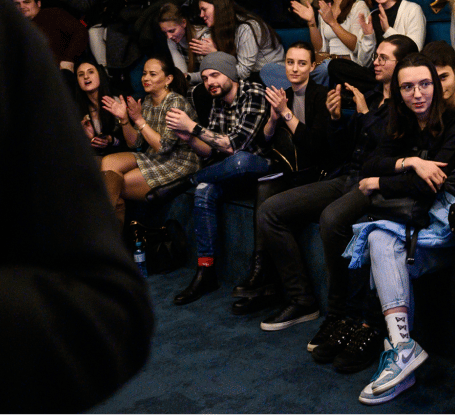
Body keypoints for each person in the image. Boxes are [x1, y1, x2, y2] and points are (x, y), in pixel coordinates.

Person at [0, 0, 152, 412]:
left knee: (108, 167)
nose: (88, 77)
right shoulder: (79, 101)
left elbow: (108, 311)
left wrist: (131, 121)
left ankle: (130, 242)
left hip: (155, 160)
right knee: (105, 167)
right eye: (83, 73)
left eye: (92, 72)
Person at [255, 35, 418, 373]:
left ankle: (340, 313)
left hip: (371, 184)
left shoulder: (405, 104)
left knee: (332, 219)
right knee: (270, 210)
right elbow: (343, 149)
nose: (376, 61)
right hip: (345, 175)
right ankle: (302, 300)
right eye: (377, 56)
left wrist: (361, 114)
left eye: (384, 58)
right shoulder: (371, 95)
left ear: (402, 65)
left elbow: (386, 153)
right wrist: (335, 119)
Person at [346, 53, 455, 405]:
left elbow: (427, 186)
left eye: (424, 84)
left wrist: (381, 183)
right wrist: (411, 162)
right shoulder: (399, 123)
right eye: (407, 86)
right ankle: (403, 348)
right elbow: (370, 163)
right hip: (411, 223)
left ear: (436, 86)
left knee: (378, 238)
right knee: (377, 237)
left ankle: (400, 350)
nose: (417, 93)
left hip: (447, 223)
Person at [230, 42, 332, 316]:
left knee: (269, 203)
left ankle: (265, 280)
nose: (294, 68)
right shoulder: (281, 95)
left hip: (315, 175)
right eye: (289, 62)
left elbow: (317, 147)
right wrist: (274, 118)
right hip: (289, 172)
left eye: (301, 63)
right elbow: (265, 141)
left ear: (312, 66)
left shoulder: (322, 95)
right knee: (264, 187)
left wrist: (286, 113)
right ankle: (261, 273)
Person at [163, 52, 272, 305]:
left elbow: (235, 146)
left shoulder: (253, 93)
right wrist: (190, 138)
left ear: (230, 74)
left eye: (215, 75)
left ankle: (184, 182)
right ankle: (206, 270)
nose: (209, 81)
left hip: (260, 168)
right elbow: (212, 150)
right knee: (204, 189)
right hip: (230, 170)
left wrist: (193, 127)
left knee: (240, 159)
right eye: (204, 77)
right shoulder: (218, 101)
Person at [99, 57, 200, 226]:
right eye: (144, 73)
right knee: (108, 162)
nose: (145, 78)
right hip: (155, 156)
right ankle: (110, 234)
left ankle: (103, 231)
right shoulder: (146, 102)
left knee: (114, 184)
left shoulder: (176, 102)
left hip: (179, 161)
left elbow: (164, 146)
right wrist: (124, 120)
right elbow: (135, 143)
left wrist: (138, 120)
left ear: (168, 79)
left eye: (152, 74)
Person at [290, 0, 371, 76]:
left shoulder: (358, 6)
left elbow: (357, 46)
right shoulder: (324, 9)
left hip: (349, 65)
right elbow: (321, 48)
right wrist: (311, 21)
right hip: (327, 64)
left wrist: (333, 22)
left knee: (313, 72)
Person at [195, 0, 284, 81]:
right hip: (254, 76)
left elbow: (243, 72)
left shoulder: (246, 28)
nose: (201, 15)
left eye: (204, 9)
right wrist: (190, 77)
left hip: (273, 77)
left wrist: (216, 54)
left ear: (218, 8)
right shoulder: (223, 28)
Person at [356, 0, 427, 63]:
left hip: (402, 73)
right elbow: (363, 63)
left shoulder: (412, 10)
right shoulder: (371, 16)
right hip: (375, 74)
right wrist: (368, 37)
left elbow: (415, 51)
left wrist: (388, 30)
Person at [12, 0, 87, 74]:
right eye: (17, 4)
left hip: (57, 73)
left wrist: (68, 60)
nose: (21, 6)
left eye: (26, 2)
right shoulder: (13, 27)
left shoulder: (53, 14)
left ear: (38, 3)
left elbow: (80, 32)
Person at [72, 58, 125, 156]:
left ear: (99, 75)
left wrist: (110, 139)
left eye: (90, 72)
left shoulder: (114, 102)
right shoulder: (76, 109)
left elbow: (127, 143)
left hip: (118, 155)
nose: (86, 77)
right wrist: (90, 139)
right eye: (81, 74)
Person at [159, 1, 208, 84]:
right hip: (192, 82)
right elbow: (181, 73)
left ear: (184, 23)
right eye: (165, 32)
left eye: (172, 31)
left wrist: (187, 77)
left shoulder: (205, 37)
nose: (169, 36)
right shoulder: (172, 40)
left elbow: (213, 74)